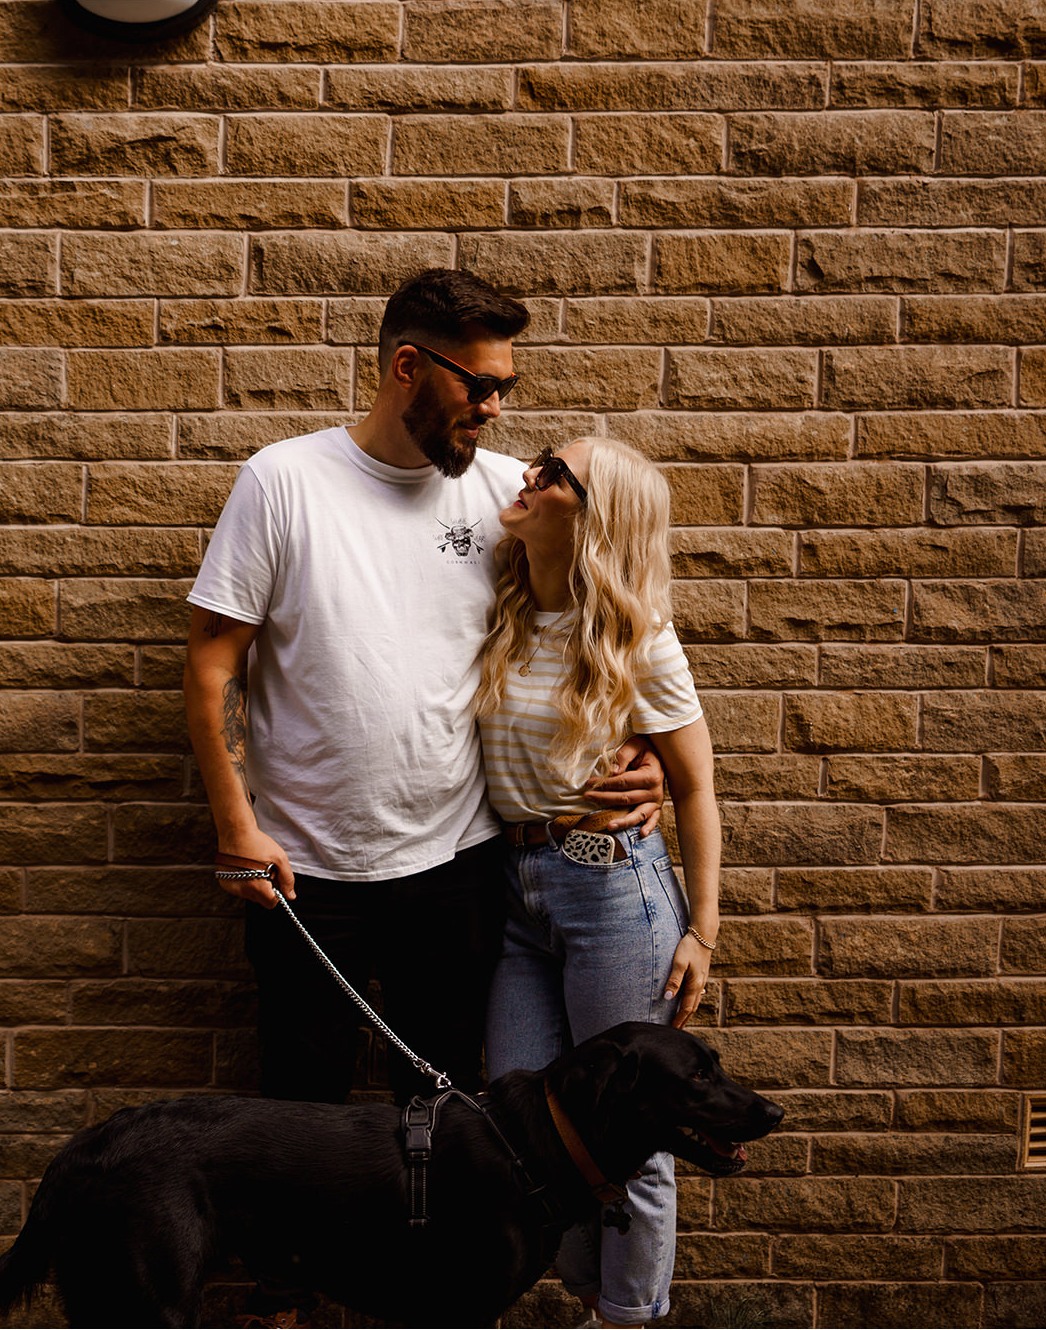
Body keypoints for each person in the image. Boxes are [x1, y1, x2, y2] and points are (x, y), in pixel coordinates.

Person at [182, 268, 665, 1113]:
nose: (496, 409)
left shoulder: (510, 493)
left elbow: (610, 612)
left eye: (507, 388)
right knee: (301, 1113)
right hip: (302, 868)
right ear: (407, 366)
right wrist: (234, 829)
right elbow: (213, 661)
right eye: (479, 386)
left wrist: (647, 748)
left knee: (443, 1115)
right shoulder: (283, 481)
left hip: (458, 866)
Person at [476, 437, 719, 1329]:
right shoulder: (504, 604)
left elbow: (694, 786)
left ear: (594, 516)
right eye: (537, 459)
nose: (528, 476)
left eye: (554, 474)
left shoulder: (633, 634)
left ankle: (624, 1317)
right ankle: (591, 1291)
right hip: (515, 892)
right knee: (526, 1123)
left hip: (616, 892)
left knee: (633, 1134)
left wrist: (702, 931)